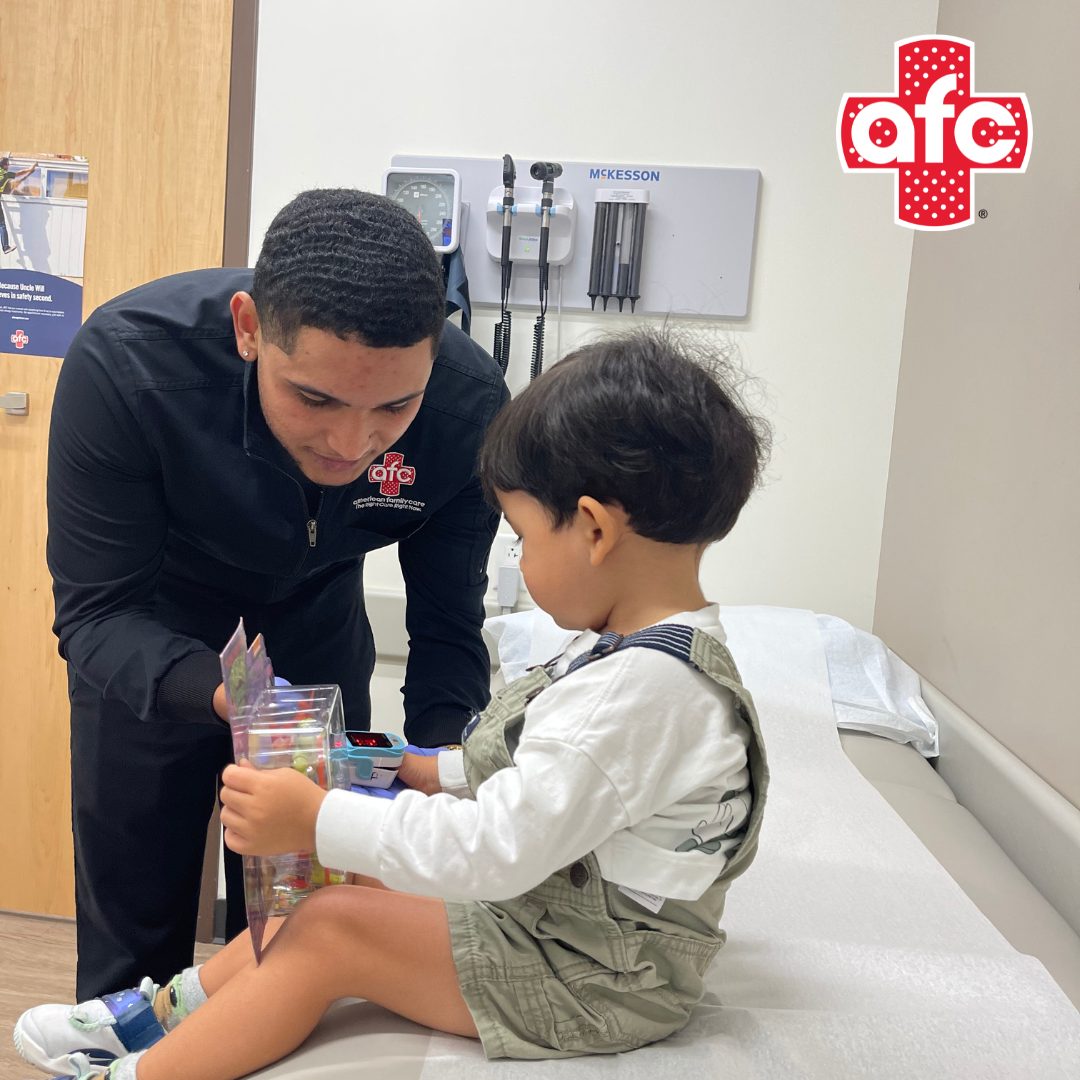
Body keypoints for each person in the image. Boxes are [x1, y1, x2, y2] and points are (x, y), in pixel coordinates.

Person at [18, 327, 771, 1079]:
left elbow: (498, 847)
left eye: (522, 539)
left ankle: (144, 1071)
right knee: (336, 879)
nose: (519, 558)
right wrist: (425, 769)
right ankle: (164, 1014)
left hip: (595, 980)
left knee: (331, 927)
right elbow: (548, 776)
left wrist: (318, 818)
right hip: (561, 929)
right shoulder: (635, 657)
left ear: (595, 529)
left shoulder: (640, 693)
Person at [46, 189, 509, 1001]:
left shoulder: (467, 409)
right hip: (152, 644)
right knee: (133, 955)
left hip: (316, 643)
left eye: (394, 406)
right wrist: (237, 695)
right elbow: (96, 614)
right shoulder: (128, 365)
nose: (352, 443)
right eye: (316, 399)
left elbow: (447, 630)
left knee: (293, 941)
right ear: (249, 328)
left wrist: (448, 780)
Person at [0, 156, 38, 253]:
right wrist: (30, 169)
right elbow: (19, 174)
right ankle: (6, 247)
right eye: (7, 165)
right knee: (2, 224)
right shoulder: (6, 174)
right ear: (4, 166)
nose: (9, 166)